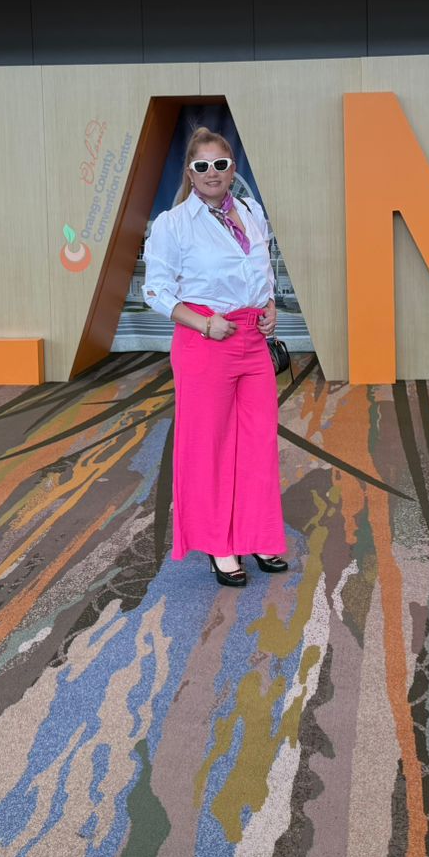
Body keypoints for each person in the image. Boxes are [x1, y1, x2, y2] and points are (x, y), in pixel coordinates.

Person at [141, 126, 288, 587]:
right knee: (209, 448)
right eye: (201, 166)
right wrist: (204, 324)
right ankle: (219, 546)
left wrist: (270, 305)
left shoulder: (251, 212)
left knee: (258, 443)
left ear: (232, 169)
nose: (211, 172)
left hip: (252, 341)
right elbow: (155, 291)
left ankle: (257, 534)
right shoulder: (173, 224)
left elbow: (261, 270)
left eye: (220, 164)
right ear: (190, 172)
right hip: (206, 341)